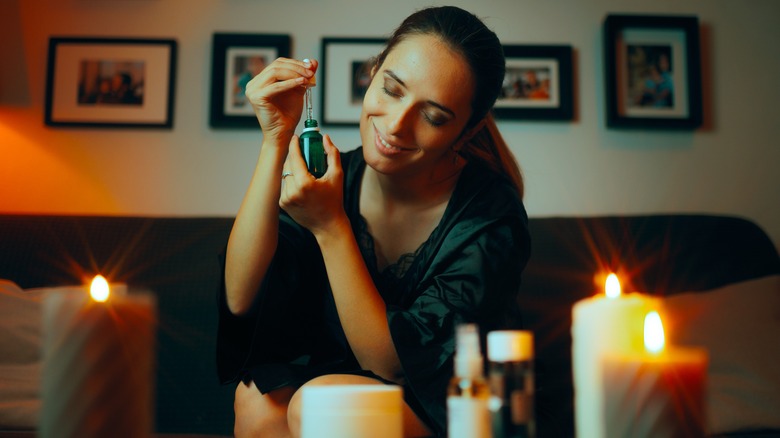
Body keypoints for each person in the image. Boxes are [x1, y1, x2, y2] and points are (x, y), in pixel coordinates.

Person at [217, 6, 531, 437]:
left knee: (324, 404)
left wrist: (331, 229)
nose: (398, 125)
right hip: (348, 393)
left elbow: (393, 367)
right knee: (257, 401)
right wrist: (275, 139)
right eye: (392, 88)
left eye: (433, 116)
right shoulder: (330, 182)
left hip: (458, 413)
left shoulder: (489, 217)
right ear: (374, 70)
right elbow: (239, 298)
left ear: (467, 131)